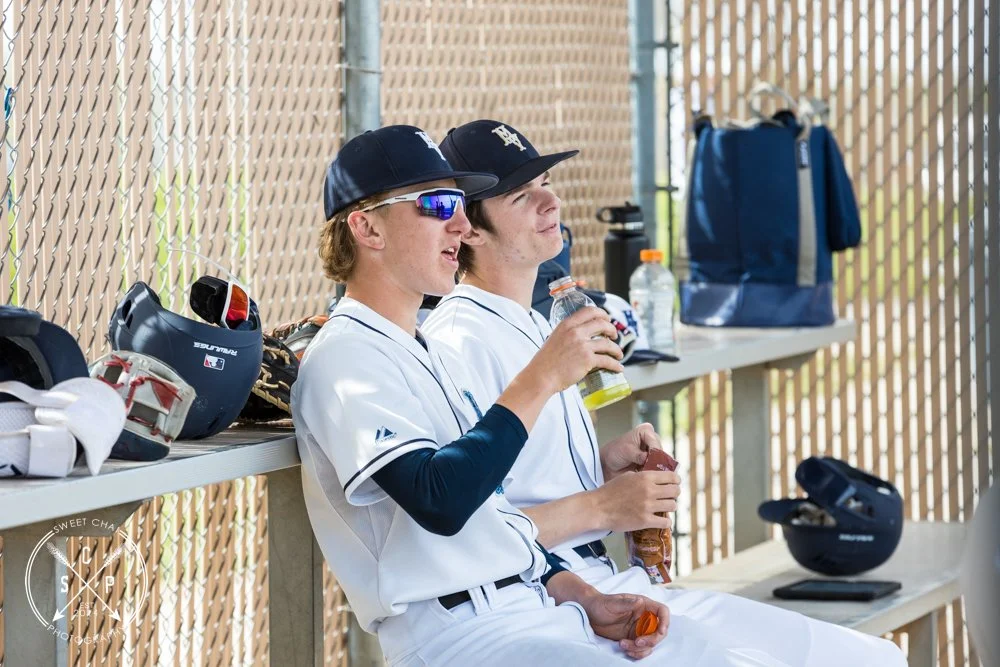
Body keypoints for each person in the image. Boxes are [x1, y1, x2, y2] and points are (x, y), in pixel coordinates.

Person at [422, 119, 908, 666]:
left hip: (606, 582)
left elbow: (521, 474)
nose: (550, 201)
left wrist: (603, 465)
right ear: (470, 228)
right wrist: (602, 506)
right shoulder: (459, 338)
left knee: (872, 658)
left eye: (546, 183)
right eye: (521, 195)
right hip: (542, 601)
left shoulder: (535, 322)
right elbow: (467, 522)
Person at [292, 125, 674, 667]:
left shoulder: (418, 348)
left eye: (459, 204)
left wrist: (584, 597)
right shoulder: (345, 354)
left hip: (532, 607)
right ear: (367, 227)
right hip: (457, 635)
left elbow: (489, 510)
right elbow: (440, 499)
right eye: (437, 204)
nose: (459, 223)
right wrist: (541, 377)